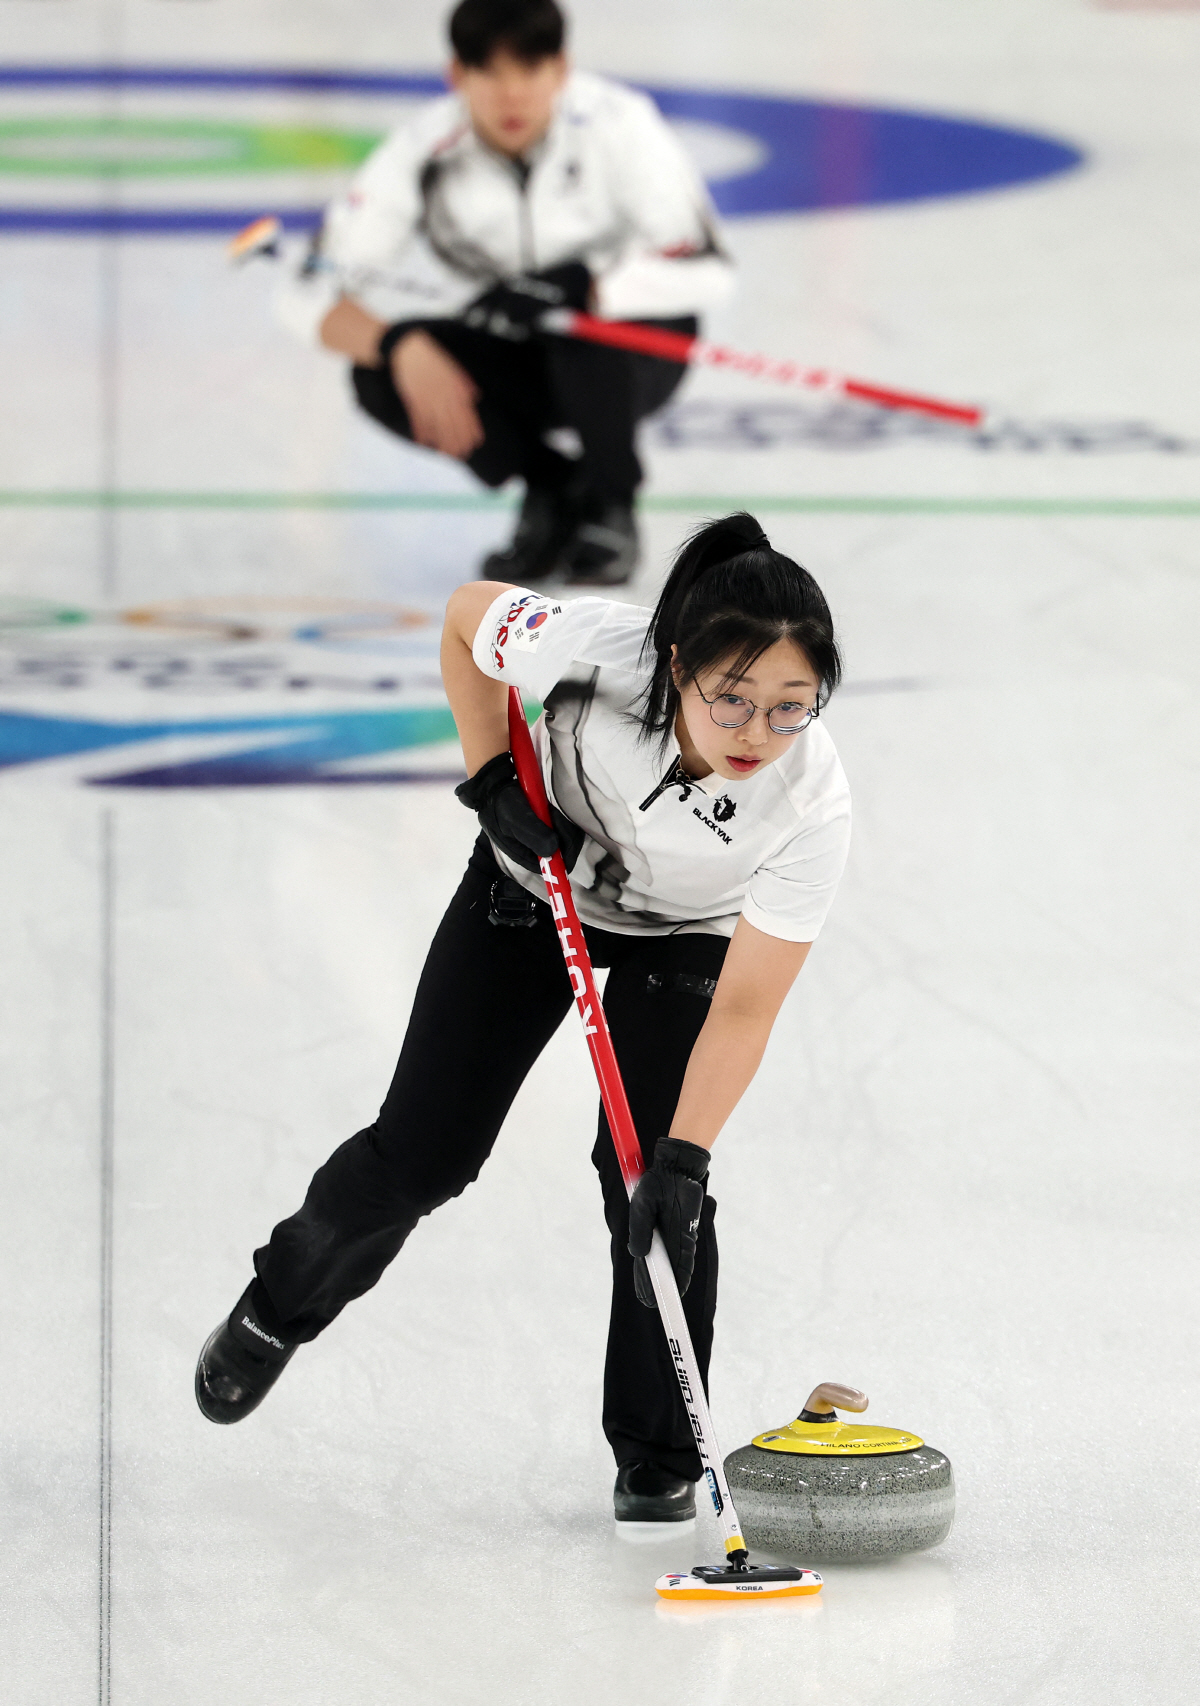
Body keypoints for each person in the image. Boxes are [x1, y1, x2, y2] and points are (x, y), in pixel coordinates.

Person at [195, 512, 851, 1526]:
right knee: (423, 1154)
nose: (757, 732)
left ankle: (661, 1451)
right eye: (732, 698)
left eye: (789, 707)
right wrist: (491, 773)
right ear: (676, 665)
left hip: (687, 936)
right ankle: (276, 1303)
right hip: (528, 890)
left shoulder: (811, 801)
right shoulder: (595, 646)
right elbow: (465, 624)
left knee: (653, 1189)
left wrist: (686, 1158)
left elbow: (750, 1002)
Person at [277, 0, 734, 587]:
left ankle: (610, 503)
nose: (511, 94)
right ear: (456, 76)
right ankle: (552, 486)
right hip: (516, 347)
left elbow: (707, 266)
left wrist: (590, 286)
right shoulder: (424, 151)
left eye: (531, 69)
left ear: (562, 70)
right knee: (378, 373)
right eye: (489, 71)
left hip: (632, 346)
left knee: (578, 330)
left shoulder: (620, 124)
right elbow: (305, 285)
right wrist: (396, 343)